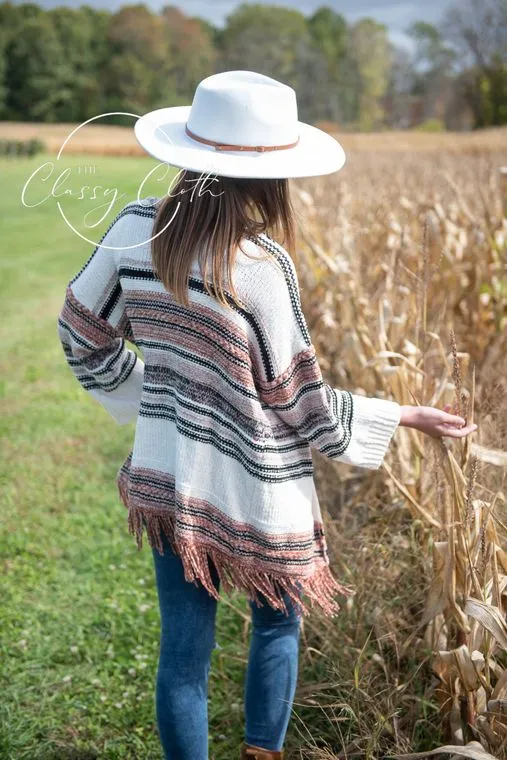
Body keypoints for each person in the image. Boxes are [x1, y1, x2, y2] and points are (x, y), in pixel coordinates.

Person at [56, 71, 478, 760]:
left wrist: (155, 403)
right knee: (277, 627)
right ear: (273, 177)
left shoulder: (135, 230)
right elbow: (298, 402)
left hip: (172, 481)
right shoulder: (259, 264)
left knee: (183, 659)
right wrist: (401, 414)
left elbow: (81, 333)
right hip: (261, 487)